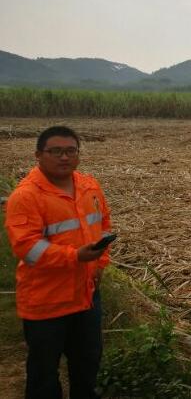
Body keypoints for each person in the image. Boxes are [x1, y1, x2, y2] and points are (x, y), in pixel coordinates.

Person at [4, 126, 113, 399]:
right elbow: (27, 248)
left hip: (86, 295)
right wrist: (76, 257)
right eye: (56, 151)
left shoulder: (89, 186)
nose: (64, 157)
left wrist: (100, 263)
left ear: (78, 154)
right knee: (44, 375)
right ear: (39, 155)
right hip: (47, 301)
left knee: (87, 366)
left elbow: (103, 225)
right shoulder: (26, 196)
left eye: (70, 151)